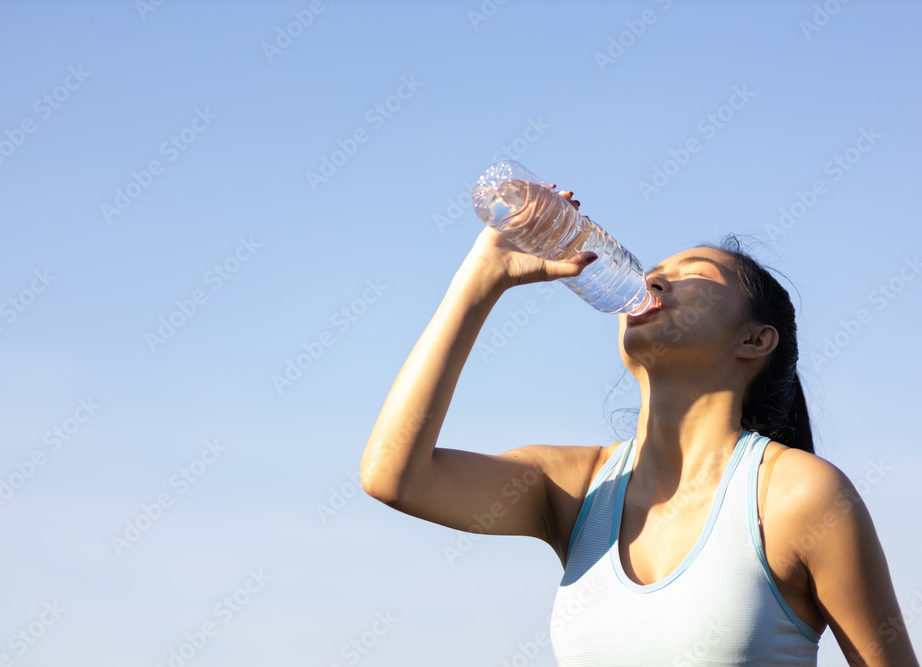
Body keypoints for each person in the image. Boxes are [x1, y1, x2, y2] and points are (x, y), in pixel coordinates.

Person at [359, 187, 918, 665]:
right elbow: (395, 477)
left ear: (754, 339)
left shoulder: (798, 496)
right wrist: (483, 277)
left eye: (694, 274)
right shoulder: (577, 489)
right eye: (654, 272)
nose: (656, 280)